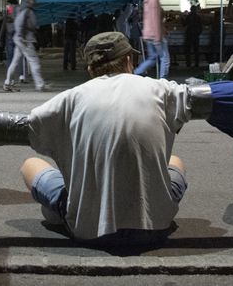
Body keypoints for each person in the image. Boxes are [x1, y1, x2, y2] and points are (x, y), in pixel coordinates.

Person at [21, 31, 189, 245]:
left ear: (90, 68)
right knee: (176, 161)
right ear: (128, 59)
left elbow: (29, 125)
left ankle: (65, 209)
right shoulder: (160, 89)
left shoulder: (71, 98)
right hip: (154, 226)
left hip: (91, 229)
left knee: (30, 164)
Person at [3, 0, 48, 92]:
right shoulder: (27, 11)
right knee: (34, 61)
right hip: (25, 39)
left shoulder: (20, 9)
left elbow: (17, 23)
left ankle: (8, 82)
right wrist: (24, 35)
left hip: (20, 38)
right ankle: (40, 84)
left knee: (15, 61)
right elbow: (22, 24)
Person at [133, 0, 170, 80]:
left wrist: (145, 32)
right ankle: (163, 80)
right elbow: (155, 19)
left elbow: (147, 18)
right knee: (165, 58)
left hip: (148, 34)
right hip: (155, 34)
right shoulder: (154, 0)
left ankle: (137, 72)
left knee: (153, 57)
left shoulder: (147, 0)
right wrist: (158, 38)